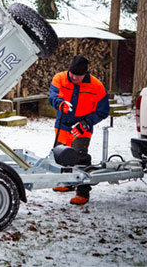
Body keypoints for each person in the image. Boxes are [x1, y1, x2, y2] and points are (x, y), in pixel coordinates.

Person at [48, 54, 110, 205]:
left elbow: (103, 110)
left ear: (85, 74)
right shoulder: (59, 78)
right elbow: (52, 96)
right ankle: (67, 183)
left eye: (78, 75)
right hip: (63, 124)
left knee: (80, 157)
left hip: (82, 127)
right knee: (61, 156)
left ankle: (83, 192)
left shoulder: (96, 86)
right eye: (72, 74)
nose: (74, 77)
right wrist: (60, 103)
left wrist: (86, 123)